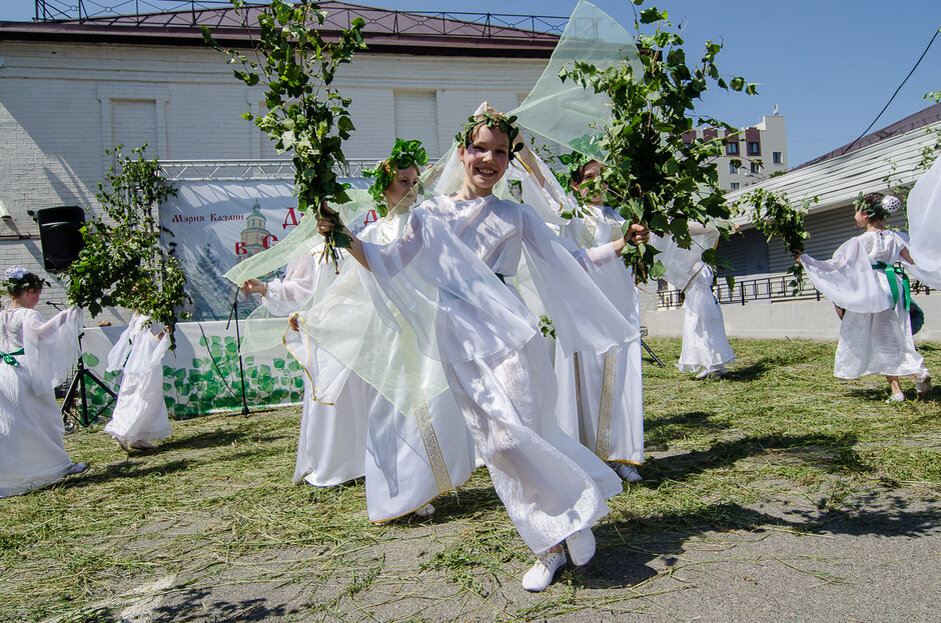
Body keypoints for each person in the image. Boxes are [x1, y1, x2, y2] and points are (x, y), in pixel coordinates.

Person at [315, 110, 648, 592]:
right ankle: (550, 545)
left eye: (501, 151)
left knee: (519, 436)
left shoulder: (516, 215)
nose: (489, 159)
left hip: (511, 335)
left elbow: (570, 262)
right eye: (481, 149)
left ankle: (571, 516)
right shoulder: (429, 215)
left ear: (509, 161)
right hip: (459, 340)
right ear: (462, 154)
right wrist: (344, 235)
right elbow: (388, 262)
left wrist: (621, 243)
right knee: (494, 446)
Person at [542, 156, 645, 483]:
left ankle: (619, 455)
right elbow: (543, 182)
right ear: (574, 183)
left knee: (619, 384)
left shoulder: (619, 217)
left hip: (619, 312)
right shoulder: (571, 216)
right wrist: (517, 143)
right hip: (583, 315)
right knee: (583, 386)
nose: (597, 183)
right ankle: (584, 460)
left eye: (603, 176)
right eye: (589, 177)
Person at [798, 193, 931, 402]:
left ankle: (902, 386)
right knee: (898, 332)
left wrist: (806, 261)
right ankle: (914, 374)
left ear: (866, 214)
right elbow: (911, 261)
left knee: (880, 338)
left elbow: (836, 265)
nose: (855, 216)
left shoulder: (859, 242)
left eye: (856, 211)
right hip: (894, 286)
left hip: (874, 289)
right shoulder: (896, 237)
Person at [0, 266, 87, 497]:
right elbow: (39, 335)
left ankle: (15, 472)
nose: (38, 299)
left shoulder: (2, 314)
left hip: (4, 373)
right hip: (25, 371)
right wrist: (65, 317)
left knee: (15, 424)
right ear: (28, 292)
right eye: (37, 293)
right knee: (43, 419)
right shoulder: (28, 315)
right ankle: (56, 466)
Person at [103, 312, 172, 451]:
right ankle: (125, 431)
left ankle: (139, 437)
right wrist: (164, 333)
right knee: (144, 398)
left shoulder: (135, 317)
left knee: (135, 396)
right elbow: (148, 341)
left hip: (136, 364)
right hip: (146, 364)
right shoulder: (145, 319)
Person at [675, 223, 736, 379]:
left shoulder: (700, 265)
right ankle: (715, 364)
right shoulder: (699, 265)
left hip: (701, 305)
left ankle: (712, 364)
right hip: (698, 303)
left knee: (704, 333)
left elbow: (701, 283)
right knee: (705, 332)